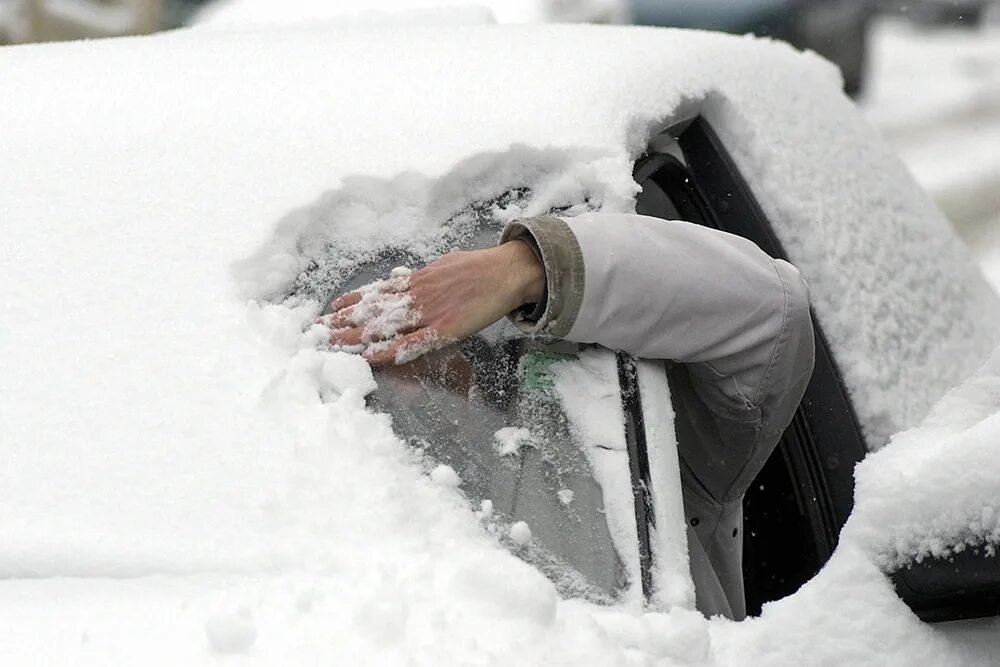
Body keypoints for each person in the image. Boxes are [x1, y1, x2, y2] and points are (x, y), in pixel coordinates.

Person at [325, 212, 816, 620]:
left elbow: (772, 314)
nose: (411, 389)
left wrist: (530, 269)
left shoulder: (622, 439)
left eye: (420, 349)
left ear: (470, 350)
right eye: (377, 376)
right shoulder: (341, 566)